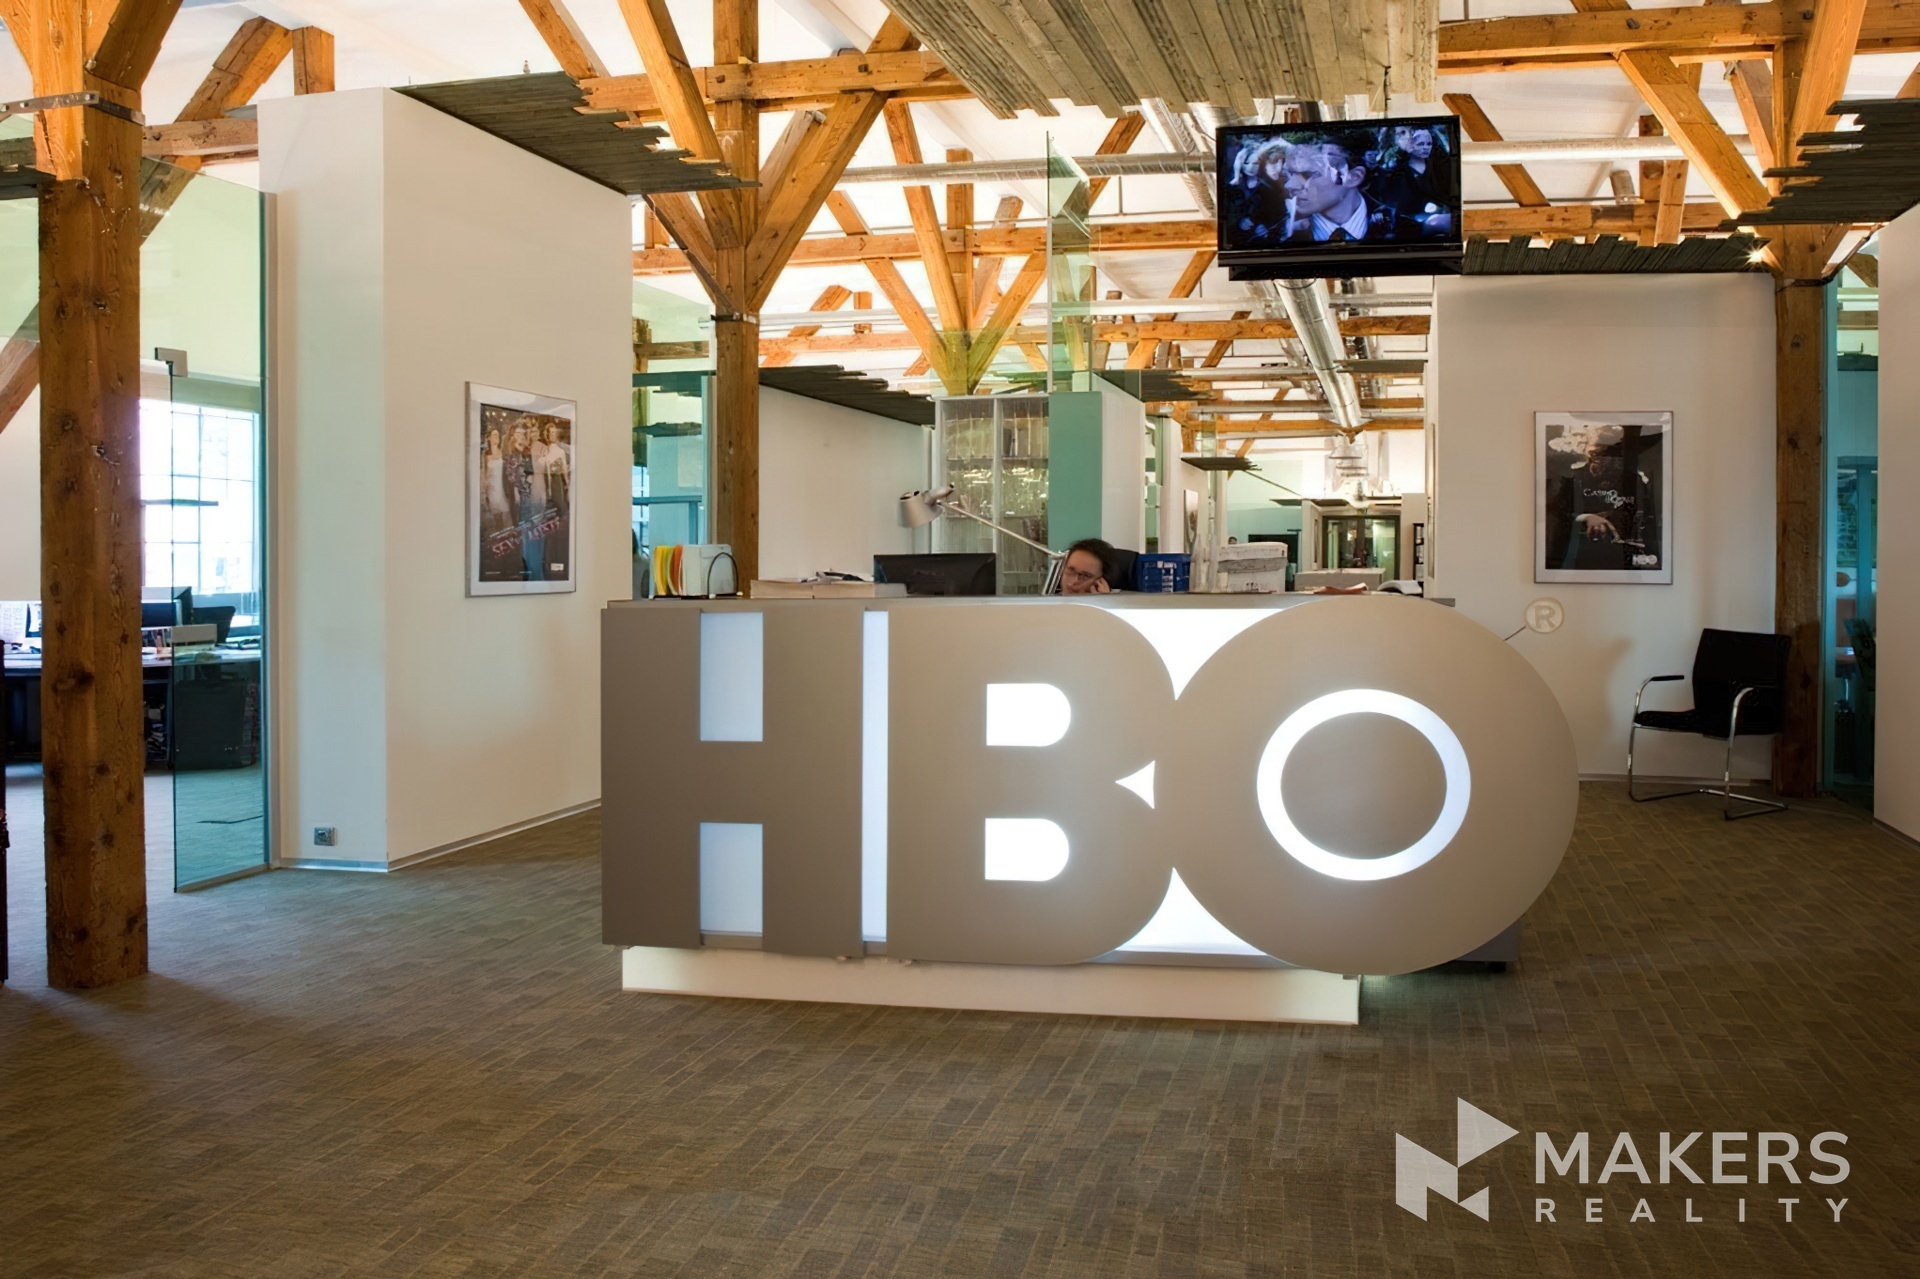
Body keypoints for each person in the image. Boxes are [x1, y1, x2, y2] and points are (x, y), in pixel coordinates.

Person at [1281, 132, 1422, 243]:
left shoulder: (1409, 233)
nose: (1290, 185)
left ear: (1354, 177)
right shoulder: (1278, 237)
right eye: (1288, 174)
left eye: (1308, 174)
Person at [1371, 125, 1455, 236]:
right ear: (1393, 139)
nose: (1409, 136)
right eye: (1402, 133)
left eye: (1411, 131)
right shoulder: (1391, 172)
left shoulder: (1440, 162)